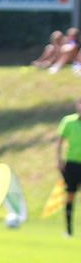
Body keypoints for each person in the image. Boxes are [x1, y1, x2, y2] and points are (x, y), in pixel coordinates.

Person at [56, 96, 81, 236]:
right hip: (72, 164)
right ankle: (69, 230)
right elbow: (59, 141)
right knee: (70, 195)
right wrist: (58, 160)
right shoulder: (68, 121)